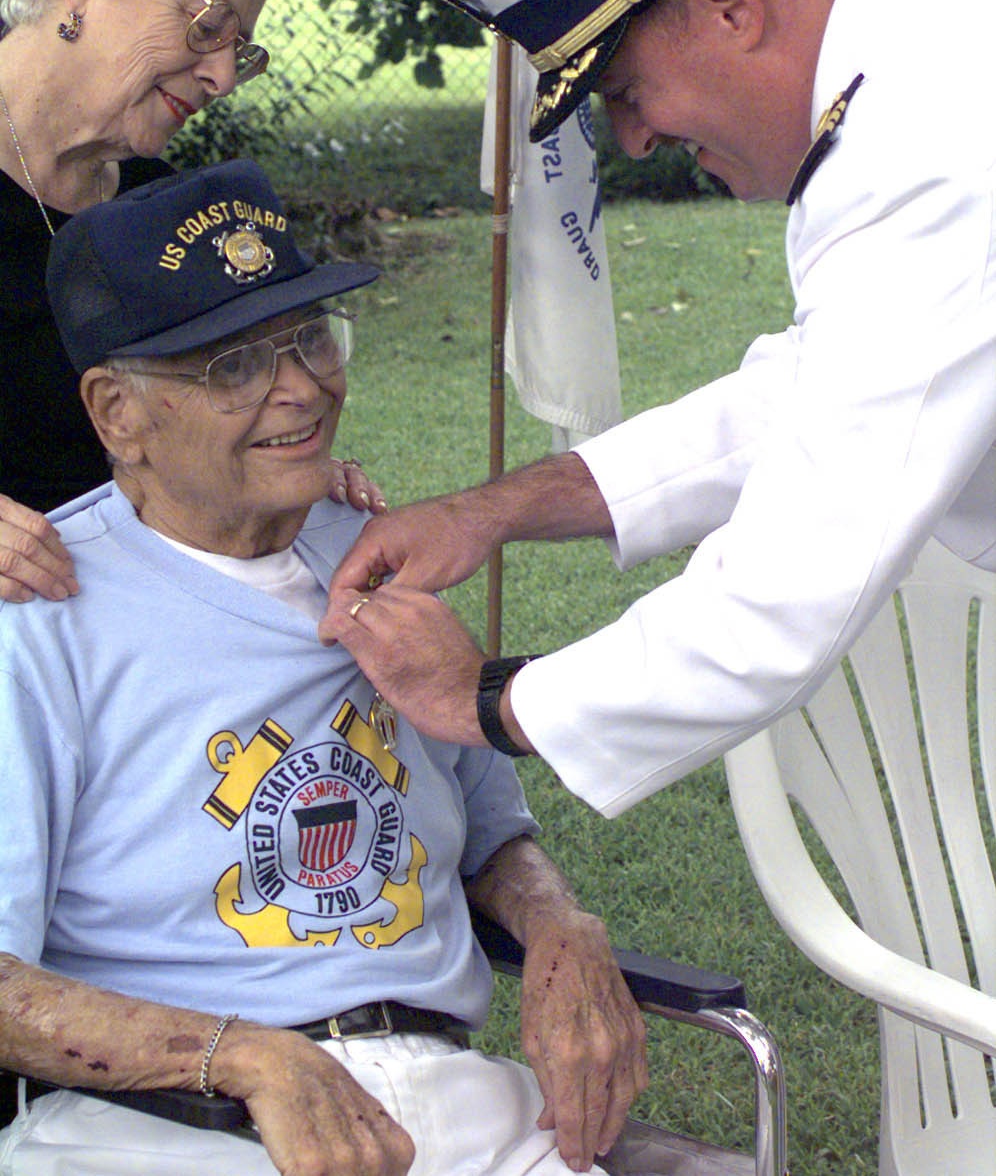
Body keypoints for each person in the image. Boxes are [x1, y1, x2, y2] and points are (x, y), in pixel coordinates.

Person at [318, 0, 996, 819]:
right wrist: (493, 511)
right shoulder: (939, 54)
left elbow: (787, 591)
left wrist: (489, 699)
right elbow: (815, 397)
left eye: (625, 91)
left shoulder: (932, 150)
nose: (632, 139)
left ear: (732, 8)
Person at [0, 159, 647, 1176]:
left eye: (305, 337)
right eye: (231, 366)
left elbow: (491, 838)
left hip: (462, 1108)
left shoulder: (384, 556)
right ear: (117, 413)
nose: (299, 387)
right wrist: (240, 1057)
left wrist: (561, 922)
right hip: (167, 1128)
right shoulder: (38, 615)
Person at [0, 0, 384, 604]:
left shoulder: (162, 209)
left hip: (122, 650)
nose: (220, 78)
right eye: (207, 26)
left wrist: (276, 460)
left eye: (240, 50)